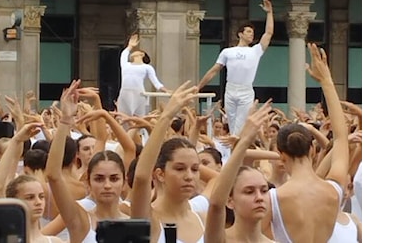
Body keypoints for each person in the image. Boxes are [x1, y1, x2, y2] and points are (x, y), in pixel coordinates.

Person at [261, 43, 350, 242]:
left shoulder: (273, 199)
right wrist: (326, 81)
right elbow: (341, 138)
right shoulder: (334, 189)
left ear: (281, 156)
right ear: (312, 149)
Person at [44, 79, 129, 243]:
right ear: (88, 183)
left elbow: (131, 150)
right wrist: (65, 120)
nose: (107, 185)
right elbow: (53, 175)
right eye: (98, 178)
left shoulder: (136, 219)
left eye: (114, 178)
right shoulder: (80, 220)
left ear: (124, 182)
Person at [130, 81, 207, 243]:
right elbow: (141, 178)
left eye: (195, 169)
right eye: (179, 169)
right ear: (160, 174)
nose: (189, 176)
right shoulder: (149, 218)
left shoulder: (203, 219)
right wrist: (166, 117)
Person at [197, 0, 274, 136]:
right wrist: (199, 86)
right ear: (240, 34)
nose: (252, 35)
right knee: (231, 124)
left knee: (240, 126)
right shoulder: (228, 52)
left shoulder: (255, 51)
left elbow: (268, 33)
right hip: (230, 89)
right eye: (249, 32)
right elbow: (214, 70)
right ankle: (232, 152)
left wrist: (269, 13)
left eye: (252, 32)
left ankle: (237, 151)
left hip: (245, 91)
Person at [205, 99, 275, 243]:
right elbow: (216, 205)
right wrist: (244, 141)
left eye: (264, 190)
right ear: (230, 201)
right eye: (249, 191)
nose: (259, 198)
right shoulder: (220, 239)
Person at [117, 33, 171, 119]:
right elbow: (124, 54)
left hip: (139, 93)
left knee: (139, 118)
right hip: (125, 92)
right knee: (123, 117)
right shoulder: (126, 64)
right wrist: (130, 46)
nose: (132, 52)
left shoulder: (147, 67)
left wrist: (167, 91)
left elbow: (156, 83)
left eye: (136, 51)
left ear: (142, 54)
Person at [5, 175, 64, 243]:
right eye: (30, 197)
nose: (38, 202)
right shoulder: (8, 240)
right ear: (14, 202)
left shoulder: (55, 241)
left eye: (41, 197)